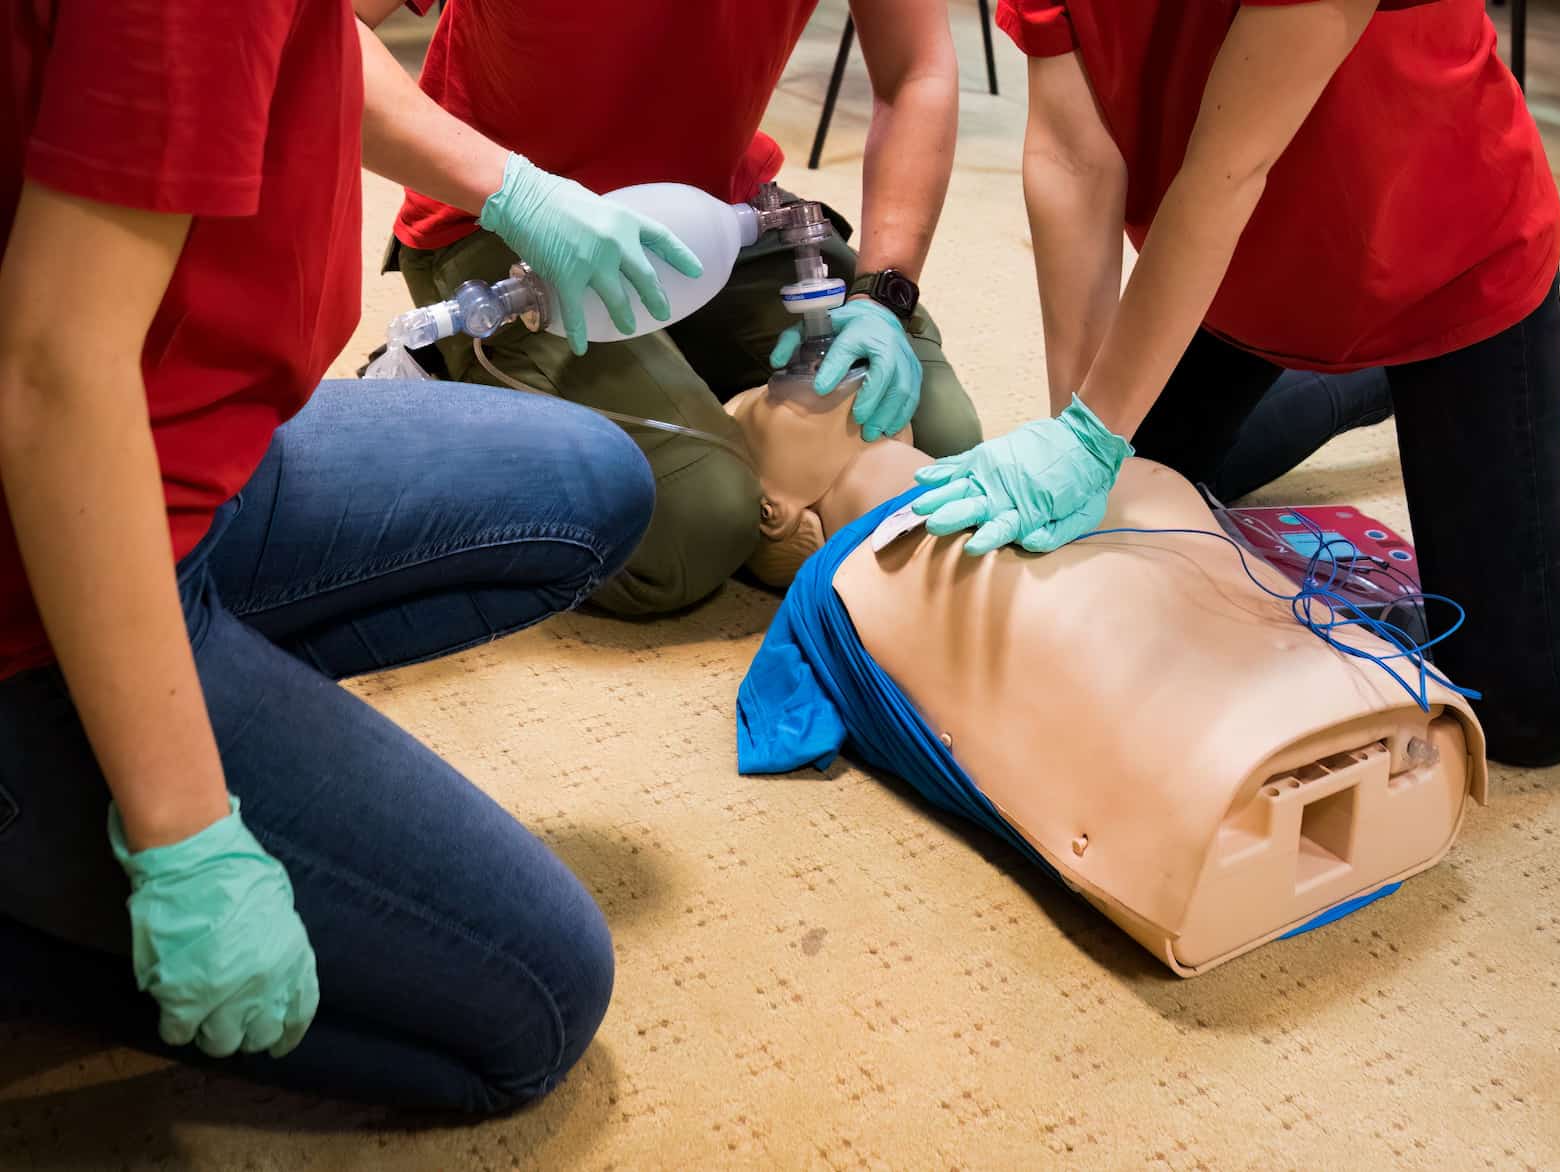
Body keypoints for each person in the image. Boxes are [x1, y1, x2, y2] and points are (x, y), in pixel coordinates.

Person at [0, 0, 713, 1112]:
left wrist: (515, 190)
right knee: (535, 1003)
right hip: (43, 558)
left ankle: (194, 718)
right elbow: (50, 379)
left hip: (202, 453)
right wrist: (186, 835)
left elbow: (306, 38)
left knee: (592, 484)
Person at [912, 0, 1560, 766]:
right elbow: (1072, 157)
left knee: (1530, 705)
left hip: (1447, 273)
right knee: (1141, 488)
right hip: (1229, 277)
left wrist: (1097, 434)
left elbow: (1229, 167)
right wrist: (1082, 432)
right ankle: (1371, 382)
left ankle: (1416, 376)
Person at [726, 377, 1485, 975]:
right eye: (762, 396)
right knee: (1070, 617)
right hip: (1214, 805)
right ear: (776, 515)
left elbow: (786, 722)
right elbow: (783, 722)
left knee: (1160, 504)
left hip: (1312, 732)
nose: (796, 374)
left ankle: (1375, 380)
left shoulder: (1067, 470)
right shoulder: (838, 588)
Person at [388, 0, 983, 616]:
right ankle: (443, 375)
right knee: (694, 527)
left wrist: (882, 295)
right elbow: (316, 30)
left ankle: (686, 390)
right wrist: (517, 194)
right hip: (510, 227)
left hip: (714, 215)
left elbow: (916, 70)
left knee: (942, 443)